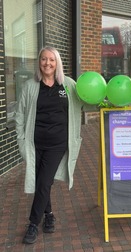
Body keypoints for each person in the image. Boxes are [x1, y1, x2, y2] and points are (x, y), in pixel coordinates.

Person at [15, 46, 87, 244]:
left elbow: (87, 101)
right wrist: (20, 139)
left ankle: (32, 224)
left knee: (44, 182)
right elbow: (20, 114)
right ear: (39, 63)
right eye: (44, 59)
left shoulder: (68, 85)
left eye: (51, 60)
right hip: (34, 143)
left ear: (57, 63)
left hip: (57, 144)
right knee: (41, 182)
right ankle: (49, 215)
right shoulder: (30, 86)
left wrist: (106, 102)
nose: (47, 63)